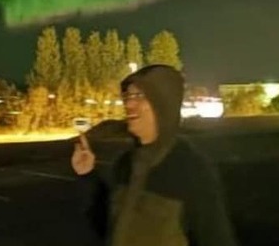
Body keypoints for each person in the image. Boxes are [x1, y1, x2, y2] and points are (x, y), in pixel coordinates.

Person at [71, 64, 238, 246]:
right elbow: (107, 227)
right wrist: (87, 175)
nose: (128, 104)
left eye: (139, 96)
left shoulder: (191, 169)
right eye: (127, 96)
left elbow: (216, 238)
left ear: (162, 104)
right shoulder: (125, 164)